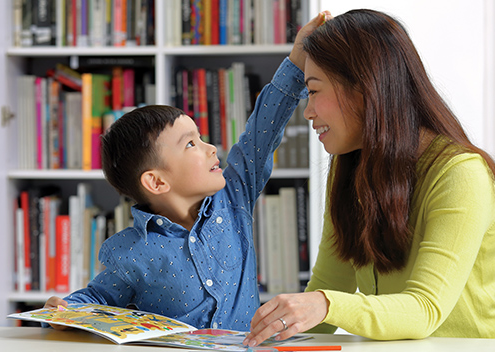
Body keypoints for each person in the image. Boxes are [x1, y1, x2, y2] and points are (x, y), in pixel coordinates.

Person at [243, 9, 495, 346]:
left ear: (364, 88)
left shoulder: (460, 176)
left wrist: (323, 304)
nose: (308, 112)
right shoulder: (348, 169)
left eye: (314, 91)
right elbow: (330, 285)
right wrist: (270, 337)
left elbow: (425, 309)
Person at [42, 35, 310, 330]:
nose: (211, 148)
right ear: (156, 182)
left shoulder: (235, 197)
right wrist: (64, 312)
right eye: (191, 144)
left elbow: (262, 129)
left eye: (201, 138)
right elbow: (97, 298)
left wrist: (297, 60)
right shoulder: (133, 250)